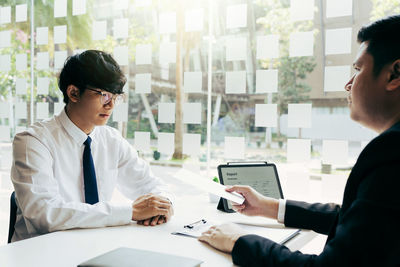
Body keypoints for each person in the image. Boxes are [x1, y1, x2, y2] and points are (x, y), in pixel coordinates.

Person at [199, 15, 400, 266]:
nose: (348, 84)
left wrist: (239, 241)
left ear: (394, 74)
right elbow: (359, 220)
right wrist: (268, 206)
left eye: (358, 70)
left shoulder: (390, 152)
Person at [11, 50, 174, 242]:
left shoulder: (111, 140)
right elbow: (45, 214)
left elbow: (150, 184)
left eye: (116, 96)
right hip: (41, 254)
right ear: (73, 93)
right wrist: (130, 212)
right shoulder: (33, 141)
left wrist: (164, 203)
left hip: (95, 246)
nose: (111, 105)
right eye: (104, 95)